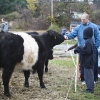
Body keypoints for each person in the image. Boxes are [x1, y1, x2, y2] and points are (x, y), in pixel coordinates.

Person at [64, 12, 100, 84]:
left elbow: (98, 37)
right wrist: (67, 36)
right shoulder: (78, 27)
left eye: (83, 19)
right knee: (83, 65)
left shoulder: (94, 27)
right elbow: (73, 34)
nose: (82, 21)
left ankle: (94, 79)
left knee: (94, 64)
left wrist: (96, 47)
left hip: (93, 50)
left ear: (88, 19)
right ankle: (83, 79)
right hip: (83, 50)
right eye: (81, 19)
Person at [74, 27, 96, 93]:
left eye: (84, 33)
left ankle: (90, 89)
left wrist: (78, 48)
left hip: (88, 62)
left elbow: (87, 51)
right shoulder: (89, 41)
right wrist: (79, 48)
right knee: (88, 75)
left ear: (86, 34)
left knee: (88, 76)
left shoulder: (89, 41)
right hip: (88, 62)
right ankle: (89, 88)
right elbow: (85, 48)